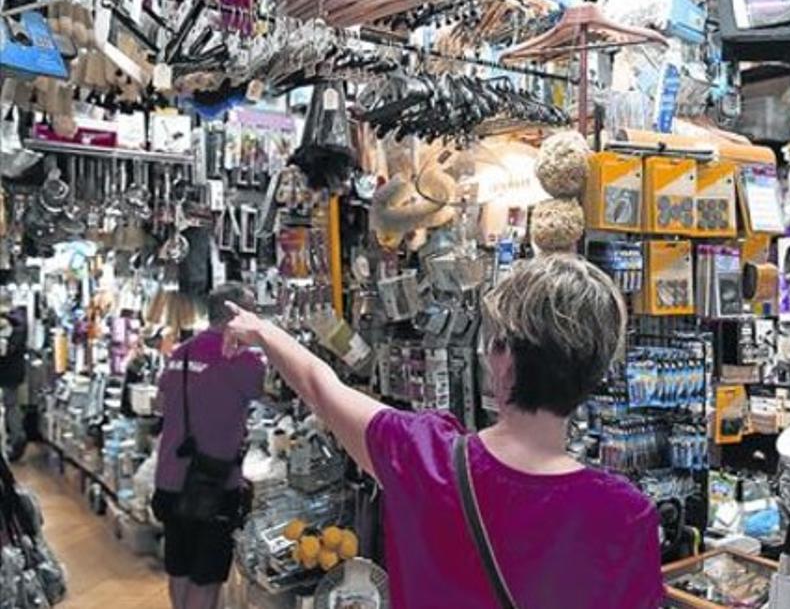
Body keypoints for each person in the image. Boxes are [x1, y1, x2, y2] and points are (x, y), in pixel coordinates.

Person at [222, 254, 664, 608]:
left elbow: (322, 387)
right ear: (595, 373)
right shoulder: (626, 516)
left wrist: (262, 331)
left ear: (502, 359)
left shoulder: (423, 455)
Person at [152, 284, 266, 609]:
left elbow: (160, 404)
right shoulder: (245, 361)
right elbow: (271, 394)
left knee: (180, 567)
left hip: (171, 478)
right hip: (213, 485)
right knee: (207, 578)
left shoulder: (182, 352)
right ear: (236, 315)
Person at [0, 289, 28, 462]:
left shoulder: (14, 324)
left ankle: (17, 439)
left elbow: (7, 350)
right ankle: (16, 439)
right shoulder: (18, 322)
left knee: (11, 406)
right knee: (11, 406)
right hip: (12, 371)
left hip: (8, 371)